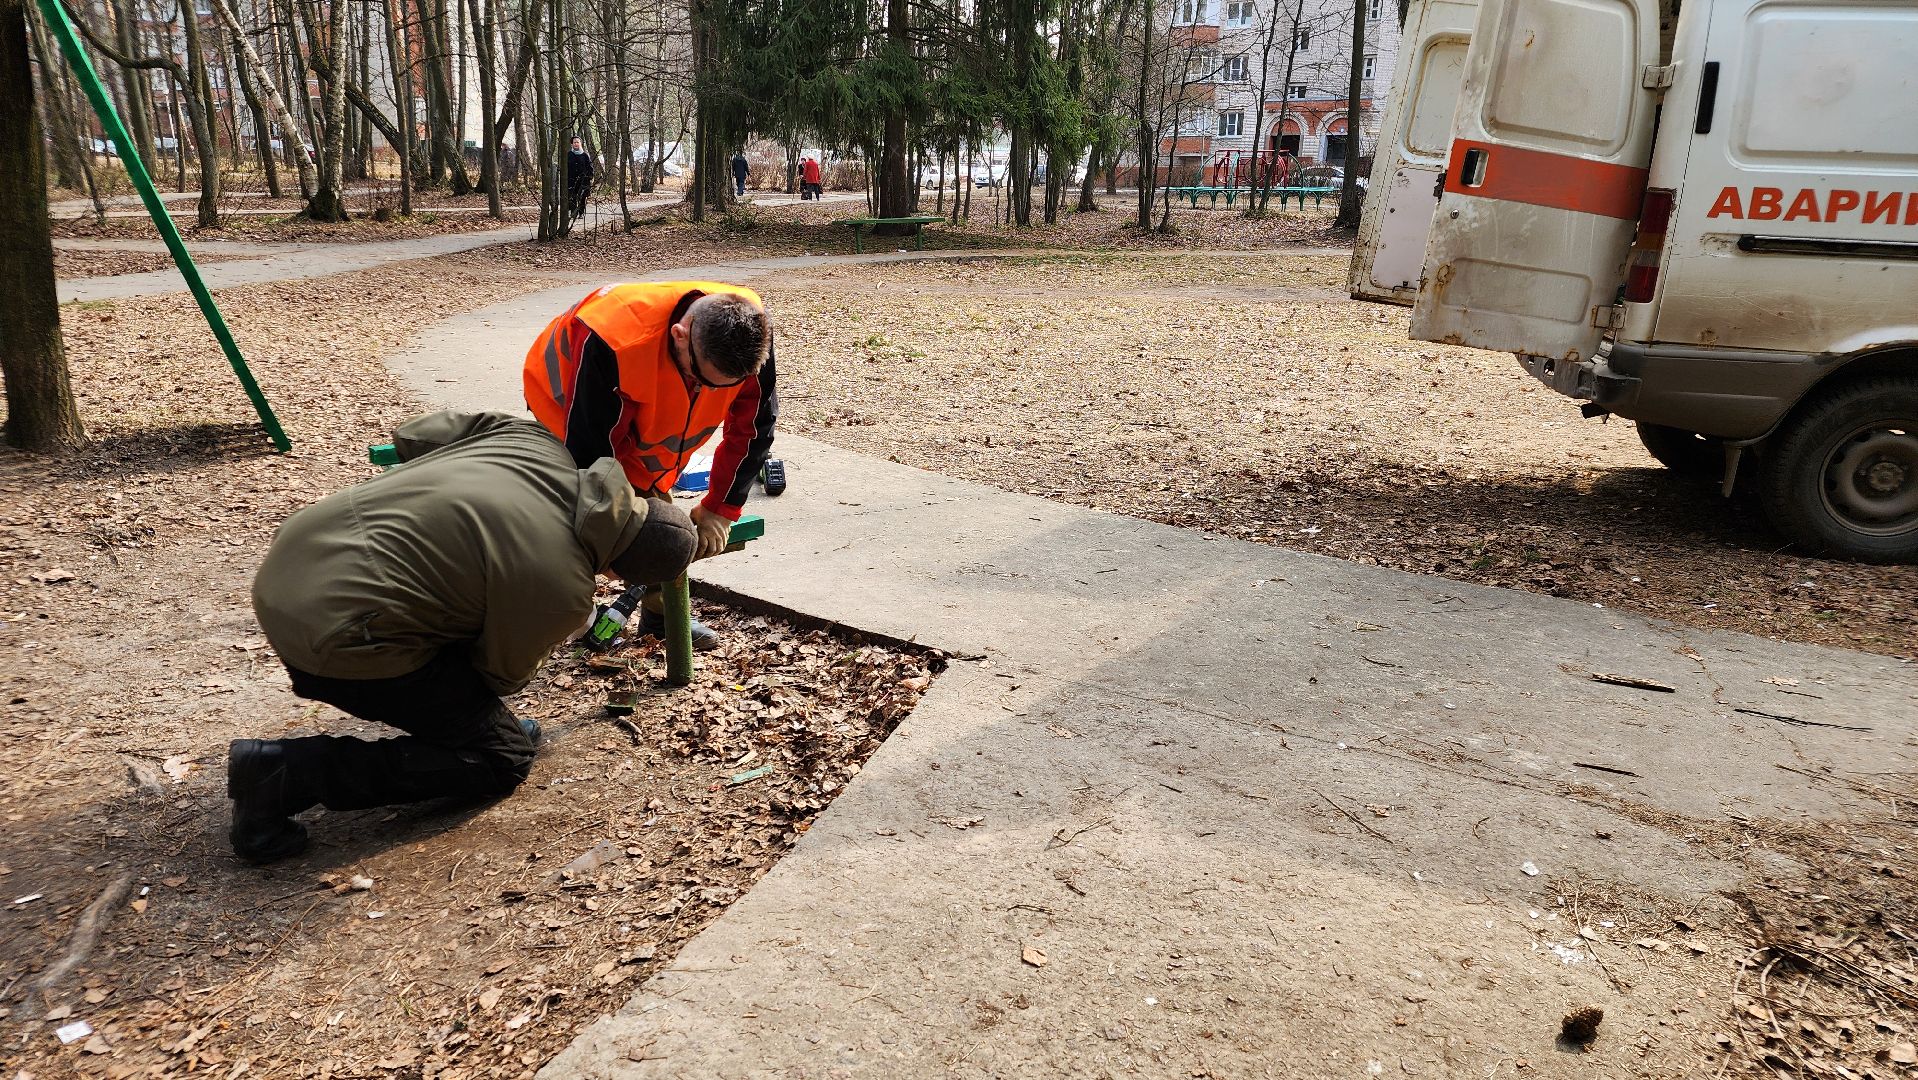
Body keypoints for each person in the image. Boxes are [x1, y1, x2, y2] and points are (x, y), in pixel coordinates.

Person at [227, 411, 696, 864]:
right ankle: (282, 774)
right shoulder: (561, 587)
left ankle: (477, 726)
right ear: (617, 571)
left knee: (463, 628)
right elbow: (497, 675)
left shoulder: (535, 443)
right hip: (334, 630)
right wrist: (544, 625)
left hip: (299, 552)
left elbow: (416, 433)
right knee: (501, 759)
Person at [524, 283, 777, 649]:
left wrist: (720, 508)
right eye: (701, 380)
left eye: (723, 387)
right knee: (597, 520)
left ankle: (659, 618)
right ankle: (563, 614)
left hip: (632, 406)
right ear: (680, 336)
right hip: (564, 407)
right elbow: (594, 459)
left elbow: (754, 427)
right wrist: (615, 541)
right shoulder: (613, 341)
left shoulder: (750, 331)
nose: (707, 391)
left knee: (658, 520)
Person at [567, 135, 595, 218]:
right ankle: (573, 213)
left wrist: (589, 177)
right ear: (572, 144)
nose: (576, 144)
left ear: (580, 144)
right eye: (574, 142)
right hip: (571, 180)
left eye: (577, 142)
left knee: (582, 197)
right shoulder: (569, 155)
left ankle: (581, 213)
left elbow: (590, 168)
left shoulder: (585, 155)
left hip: (583, 181)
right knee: (572, 197)